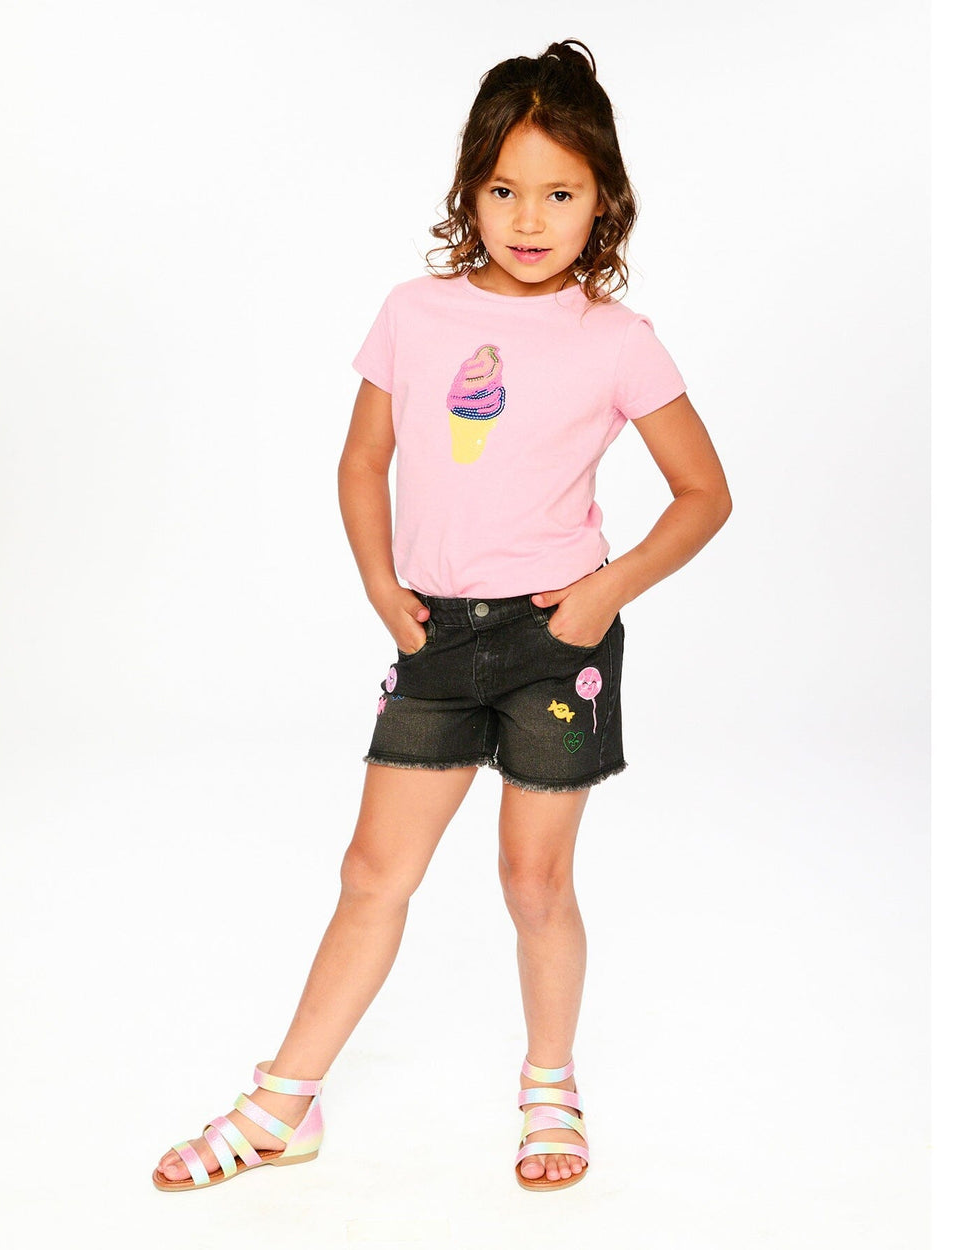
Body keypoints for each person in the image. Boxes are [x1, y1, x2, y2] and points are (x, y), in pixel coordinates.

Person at [153, 36, 732, 1195]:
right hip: (434, 635)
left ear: (603, 199)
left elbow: (703, 494)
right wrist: (382, 584)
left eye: (559, 192)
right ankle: (284, 1101)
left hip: (555, 642)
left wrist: (603, 592)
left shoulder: (618, 340)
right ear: (469, 188)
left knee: (533, 880)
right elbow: (362, 459)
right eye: (504, 188)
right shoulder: (414, 314)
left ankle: (550, 1081)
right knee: (373, 867)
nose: (529, 217)